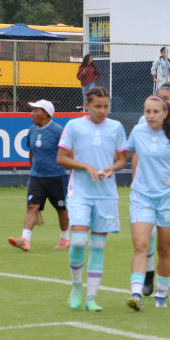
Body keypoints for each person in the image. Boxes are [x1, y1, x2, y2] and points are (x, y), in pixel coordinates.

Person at [56, 86, 128, 312]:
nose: (102, 110)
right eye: (98, 106)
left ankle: (91, 298)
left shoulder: (116, 127)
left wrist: (110, 169)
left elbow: (121, 160)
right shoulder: (74, 126)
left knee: (98, 247)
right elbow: (61, 158)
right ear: (87, 105)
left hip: (106, 195)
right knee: (78, 241)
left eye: (106, 106)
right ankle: (76, 286)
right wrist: (85, 166)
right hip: (81, 193)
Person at [126, 95, 170, 310]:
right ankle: (136, 294)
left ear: (165, 113)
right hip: (142, 195)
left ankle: (161, 295)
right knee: (141, 245)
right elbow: (126, 155)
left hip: (168, 198)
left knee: (164, 249)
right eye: (147, 111)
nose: (151, 116)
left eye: (155, 112)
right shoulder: (137, 132)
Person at [8, 100, 70, 251]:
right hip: (37, 177)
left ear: (45, 113)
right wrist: (32, 172)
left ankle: (65, 239)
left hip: (56, 177)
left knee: (61, 209)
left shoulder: (57, 130)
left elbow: (68, 153)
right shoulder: (32, 130)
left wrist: (72, 178)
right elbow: (31, 153)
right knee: (32, 206)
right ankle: (25, 240)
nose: (32, 113)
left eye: (35, 110)